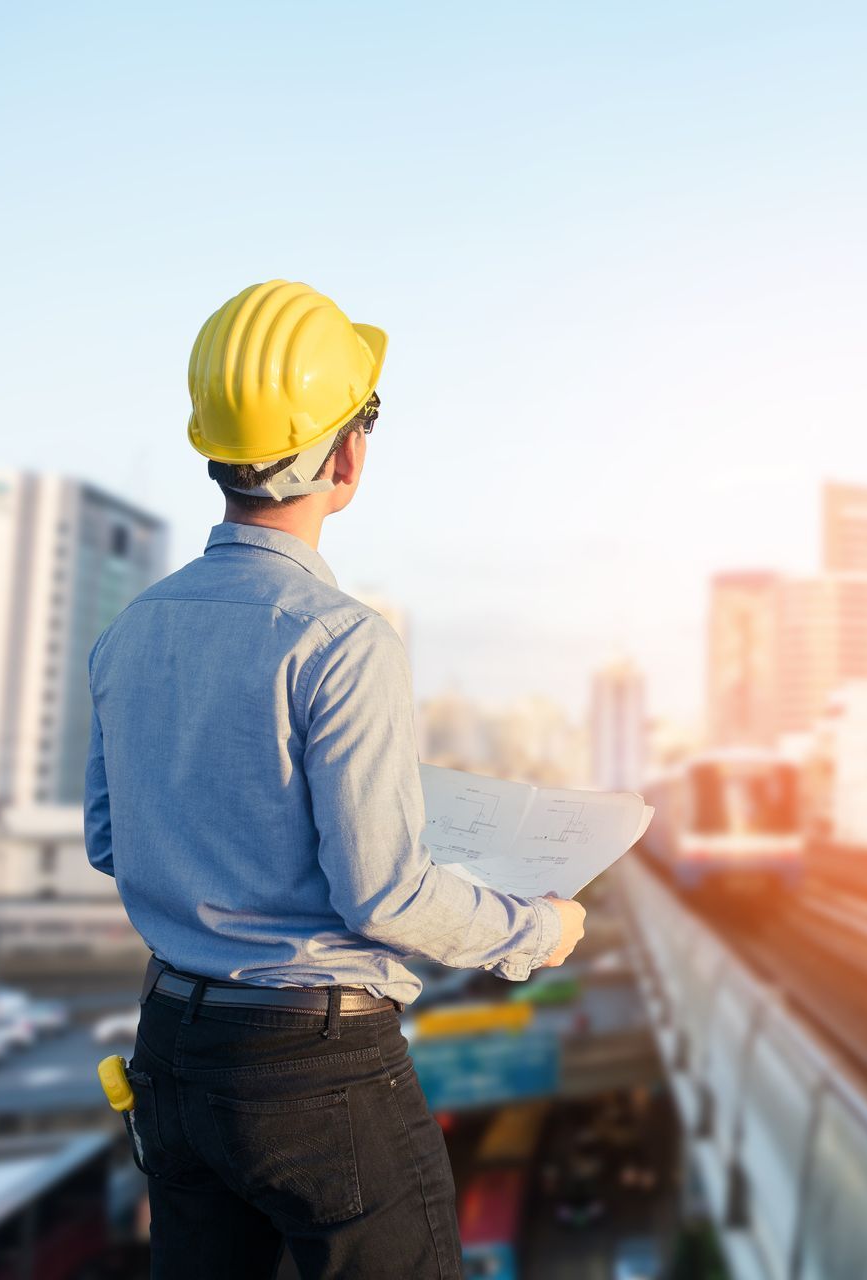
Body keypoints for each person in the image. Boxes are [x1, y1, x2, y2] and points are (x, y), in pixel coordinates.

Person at [84, 280, 586, 1279]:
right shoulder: (344, 640)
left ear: (212, 447)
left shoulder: (133, 628)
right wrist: (538, 931)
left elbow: (111, 838)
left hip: (173, 1051)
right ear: (347, 454)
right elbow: (385, 890)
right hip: (316, 1072)